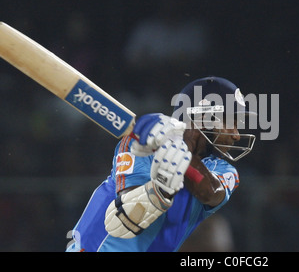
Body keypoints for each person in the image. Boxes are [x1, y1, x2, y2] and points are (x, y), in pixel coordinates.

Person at [66, 76, 256, 252]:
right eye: (231, 121)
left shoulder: (223, 170)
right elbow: (129, 216)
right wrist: (166, 171)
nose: (236, 134)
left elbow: (211, 193)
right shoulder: (140, 143)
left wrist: (178, 152)